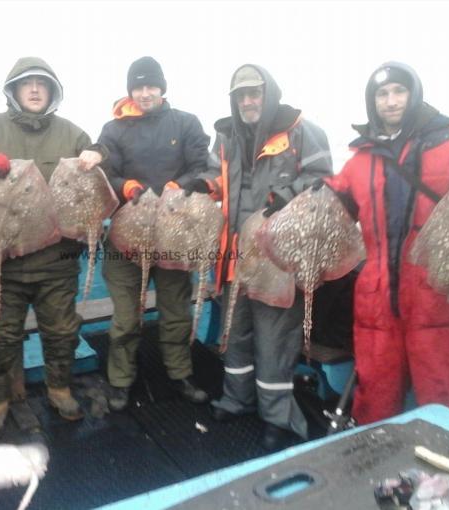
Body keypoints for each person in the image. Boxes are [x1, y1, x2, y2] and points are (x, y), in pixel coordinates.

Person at [323, 61, 449, 425]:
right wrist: (316, 198)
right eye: (382, 94)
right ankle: (375, 461)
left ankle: (448, 474)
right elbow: (339, 202)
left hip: (439, 296)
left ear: (414, 93)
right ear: (373, 102)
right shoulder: (360, 158)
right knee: (375, 399)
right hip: (377, 299)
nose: (391, 101)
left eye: (399, 91)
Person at [0, 56, 108, 440]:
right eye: (27, 84)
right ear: (14, 91)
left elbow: (97, 175)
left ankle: (59, 388)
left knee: (60, 331)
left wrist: (99, 153)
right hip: (1, 260)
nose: (35, 89)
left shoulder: (72, 133)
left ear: (53, 92)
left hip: (57, 259)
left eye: (43, 83)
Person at [188, 64, 333, 451]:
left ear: (269, 94)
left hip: (276, 259)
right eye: (241, 95)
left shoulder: (302, 130)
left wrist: (288, 196)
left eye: (255, 93)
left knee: (274, 341)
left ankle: (277, 416)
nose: (248, 101)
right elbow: (214, 176)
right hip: (233, 258)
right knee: (234, 337)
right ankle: (237, 400)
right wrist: (202, 184)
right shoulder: (225, 136)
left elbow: (324, 178)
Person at [97, 56, 211, 410]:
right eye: (138, 86)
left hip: (174, 232)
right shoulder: (113, 129)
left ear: (162, 88)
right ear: (130, 90)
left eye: (151, 86)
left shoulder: (186, 123)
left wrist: (183, 185)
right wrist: (125, 186)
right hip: (126, 236)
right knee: (126, 317)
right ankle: (120, 380)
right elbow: (104, 174)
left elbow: (202, 166)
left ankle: (180, 374)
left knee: (175, 310)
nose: (145, 93)